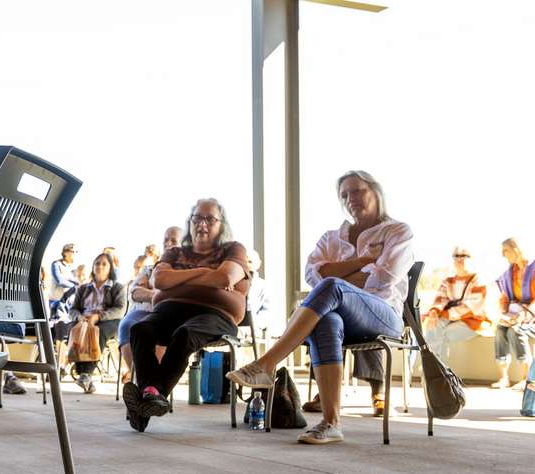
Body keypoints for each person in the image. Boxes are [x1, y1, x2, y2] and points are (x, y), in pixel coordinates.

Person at [228, 171, 413, 445]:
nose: (351, 199)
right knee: (326, 320)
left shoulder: (397, 231)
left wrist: (336, 275)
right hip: (343, 317)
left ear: (376, 191)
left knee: (332, 288)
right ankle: (331, 422)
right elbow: (313, 275)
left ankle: (268, 362)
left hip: (383, 315)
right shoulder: (332, 238)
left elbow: (384, 278)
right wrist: (362, 262)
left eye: (358, 191)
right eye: (345, 195)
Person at [123, 200, 249, 431]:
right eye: (196, 218)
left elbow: (225, 278)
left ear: (222, 224)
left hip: (216, 314)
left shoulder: (233, 249)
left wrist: (179, 279)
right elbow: (159, 281)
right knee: (139, 329)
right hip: (169, 310)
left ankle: (149, 395)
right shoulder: (174, 252)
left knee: (185, 333)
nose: (202, 224)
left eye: (209, 219)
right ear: (189, 222)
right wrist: (206, 274)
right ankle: (150, 396)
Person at [118, 226, 183, 381]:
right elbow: (133, 293)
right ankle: (140, 380)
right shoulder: (150, 268)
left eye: (173, 240)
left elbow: (178, 295)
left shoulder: (185, 270)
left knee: (158, 331)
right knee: (127, 325)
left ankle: (148, 383)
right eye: (165, 240)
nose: (168, 243)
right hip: (142, 310)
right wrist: (156, 294)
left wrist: (149, 291)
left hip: (168, 313)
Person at [492, 238, 535, 389]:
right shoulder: (509, 274)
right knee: (500, 330)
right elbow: (505, 298)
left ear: (515, 249)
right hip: (516, 317)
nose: (502, 254)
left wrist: (525, 316)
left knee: (516, 330)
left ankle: (525, 378)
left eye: (505, 250)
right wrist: (504, 316)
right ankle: (504, 378)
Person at [68, 253, 125, 393]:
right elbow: (73, 309)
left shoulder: (117, 287)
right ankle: (86, 379)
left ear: (110, 268)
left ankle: (85, 374)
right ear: (93, 267)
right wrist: (79, 317)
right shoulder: (83, 288)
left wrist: (98, 316)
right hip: (85, 319)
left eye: (104, 264)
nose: (100, 266)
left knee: (96, 331)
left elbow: (120, 309)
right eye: (97, 263)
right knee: (75, 330)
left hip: (107, 321)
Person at [422, 246, 489, 365]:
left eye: (464, 256)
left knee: (441, 334)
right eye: (456, 256)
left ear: (472, 259)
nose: (459, 259)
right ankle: (431, 371)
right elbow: (440, 299)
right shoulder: (448, 281)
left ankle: (439, 374)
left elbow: (468, 309)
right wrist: (434, 312)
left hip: (473, 323)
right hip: (451, 320)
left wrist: (441, 313)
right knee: (433, 325)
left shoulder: (479, 281)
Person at [245, 251, 274, 334]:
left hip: (253, 324)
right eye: (244, 262)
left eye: (250, 262)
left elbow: (267, 311)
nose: (247, 265)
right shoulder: (233, 282)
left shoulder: (264, 286)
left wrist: (254, 324)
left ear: (258, 264)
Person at [48, 243, 78, 309]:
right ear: (65, 252)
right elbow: (60, 281)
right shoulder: (56, 264)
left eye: (76, 251)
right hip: (56, 301)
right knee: (56, 319)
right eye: (73, 251)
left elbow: (78, 282)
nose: (75, 253)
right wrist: (75, 287)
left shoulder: (75, 267)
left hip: (69, 302)